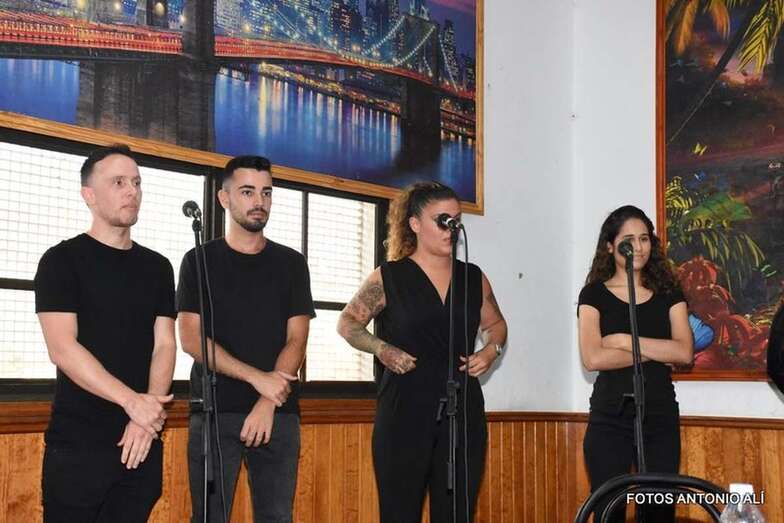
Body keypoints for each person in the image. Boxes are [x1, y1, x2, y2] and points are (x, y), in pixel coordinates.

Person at [337, 181, 507, 522]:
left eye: (456, 220)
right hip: (404, 411)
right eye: (442, 220)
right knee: (400, 512)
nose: (451, 228)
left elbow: (497, 324)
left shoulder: (474, 277)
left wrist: (492, 350)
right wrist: (381, 348)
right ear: (414, 224)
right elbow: (348, 323)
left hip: (463, 411)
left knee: (457, 513)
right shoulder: (389, 277)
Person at [34, 144, 176, 522]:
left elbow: (165, 344)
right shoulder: (60, 261)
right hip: (78, 444)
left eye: (136, 182)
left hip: (141, 440)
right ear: (89, 195)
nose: (132, 191)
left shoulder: (158, 267)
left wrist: (145, 416)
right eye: (118, 182)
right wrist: (133, 403)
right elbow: (62, 348)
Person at [177, 155, 315, 522]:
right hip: (214, 411)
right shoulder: (198, 260)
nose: (259, 202)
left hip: (278, 413)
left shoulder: (291, 263)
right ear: (224, 198)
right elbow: (190, 339)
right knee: (208, 517)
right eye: (248, 192)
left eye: (266, 193)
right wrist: (258, 379)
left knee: (276, 517)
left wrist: (267, 401)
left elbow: (297, 340)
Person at [577, 205, 693, 522]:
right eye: (628, 240)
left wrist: (624, 340)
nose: (638, 247)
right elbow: (593, 358)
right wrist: (659, 350)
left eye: (644, 238)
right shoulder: (593, 295)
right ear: (610, 246)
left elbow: (684, 353)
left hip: (659, 414)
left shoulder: (669, 292)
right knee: (608, 509)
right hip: (610, 417)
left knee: (659, 510)